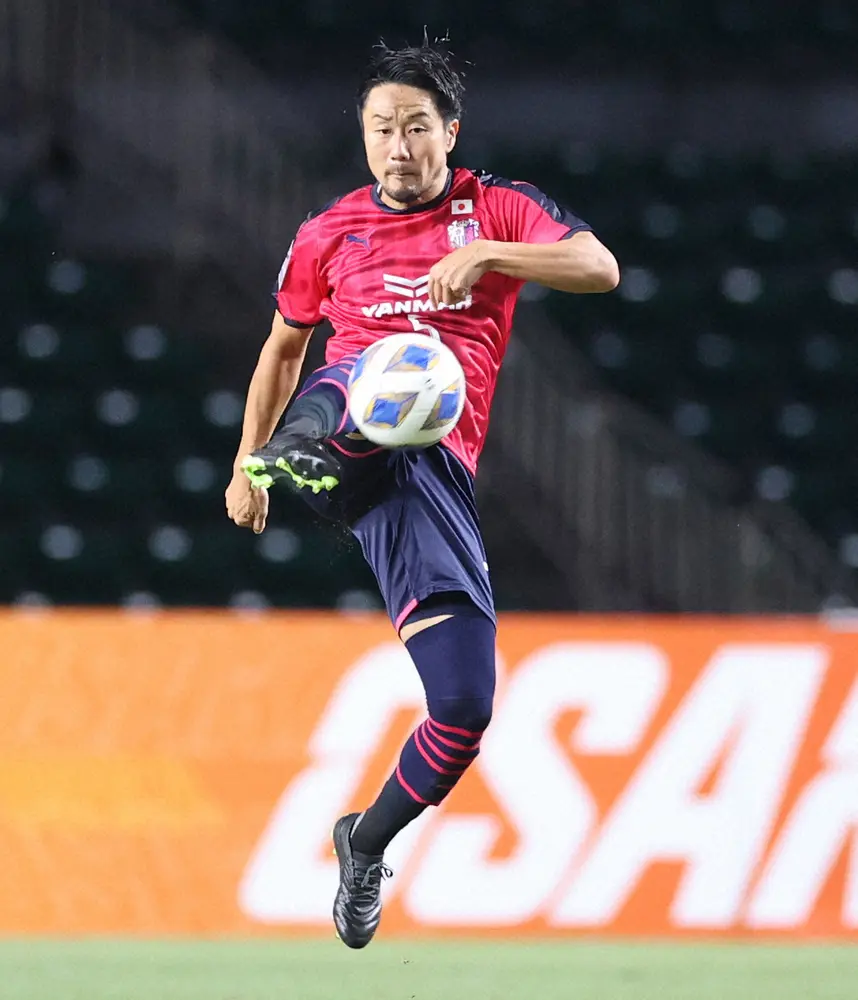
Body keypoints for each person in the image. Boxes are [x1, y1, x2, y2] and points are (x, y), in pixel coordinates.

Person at [224, 41, 619, 949]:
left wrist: (488, 256)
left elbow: (600, 269)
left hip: (429, 474)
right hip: (343, 406)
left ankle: (364, 844)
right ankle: (307, 453)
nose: (398, 146)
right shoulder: (330, 231)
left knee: (465, 704)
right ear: (363, 139)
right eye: (379, 129)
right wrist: (246, 466)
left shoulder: (497, 208)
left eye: (414, 127)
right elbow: (281, 352)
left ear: (449, 132)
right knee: (376, 369)